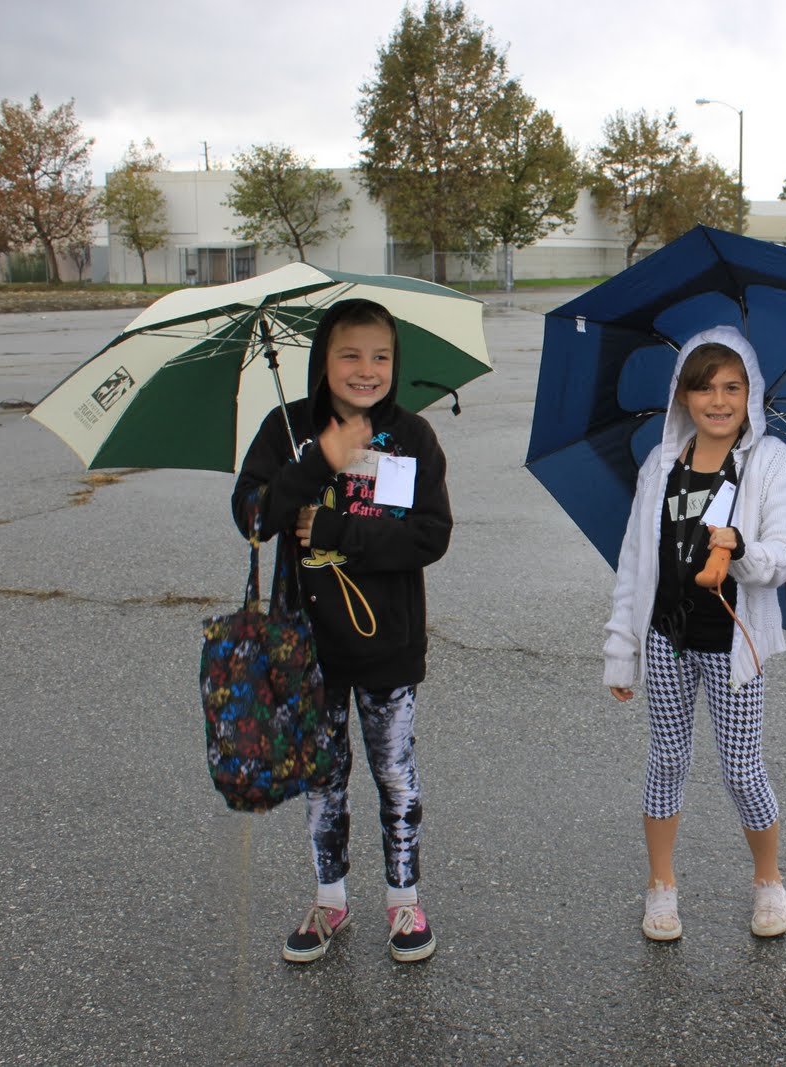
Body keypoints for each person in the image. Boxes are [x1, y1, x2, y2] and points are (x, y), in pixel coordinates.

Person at [232, 298, 453, 964]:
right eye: (349, 354)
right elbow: (251, 516)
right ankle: (330, 897)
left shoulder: (412, 436)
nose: (366, 369)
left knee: (395, 774)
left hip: (388, 644)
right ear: (322, 360)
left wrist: (336, 531)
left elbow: (430, 535)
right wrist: (316, 462)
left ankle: (403, 898)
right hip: (307, 647)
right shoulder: (287, 429)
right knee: (324, 775)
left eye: (380, 356)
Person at [603, 325, 786, 942]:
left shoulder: (770, 463)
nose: (718, 401)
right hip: (666, 636)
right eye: (703, 388)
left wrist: (741, 550)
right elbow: (635, 559)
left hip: (732, 641)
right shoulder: (663, 463)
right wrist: (621, 648)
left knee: (742, 769)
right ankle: (661, 887)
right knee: (666, 759)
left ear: (752, 393)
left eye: (731, 388)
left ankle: (768, 882)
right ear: (682, 397)